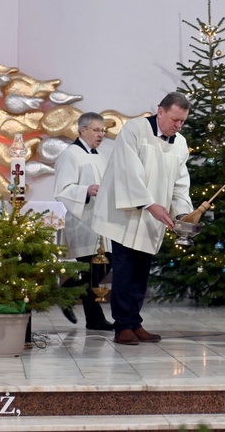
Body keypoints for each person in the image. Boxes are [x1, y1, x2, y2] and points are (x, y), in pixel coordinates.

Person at [92, 92, 193, 346]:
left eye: (182, 121)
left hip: (152, 218)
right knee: (125, 271)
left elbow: (180, 183)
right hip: (127, 214)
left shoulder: (179, 143)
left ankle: (135, 322)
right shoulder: (135, 130)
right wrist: (149, 203)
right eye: (174, 119)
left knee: (141, 272)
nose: (177, 126)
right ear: (160, 111)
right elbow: (128, 171)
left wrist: (182, 212)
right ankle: (122, 326)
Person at [53, 112, 114, 331]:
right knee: (92, 270)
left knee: (102, 266)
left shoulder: (99, 155)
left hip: (101, 219)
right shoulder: (71, 154)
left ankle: (72, 296)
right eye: (97, 130)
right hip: (83, 220)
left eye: (103, 130)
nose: (101, 134)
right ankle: (88, 313)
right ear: (82, 130)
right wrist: (86, 190)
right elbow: (62, 189)